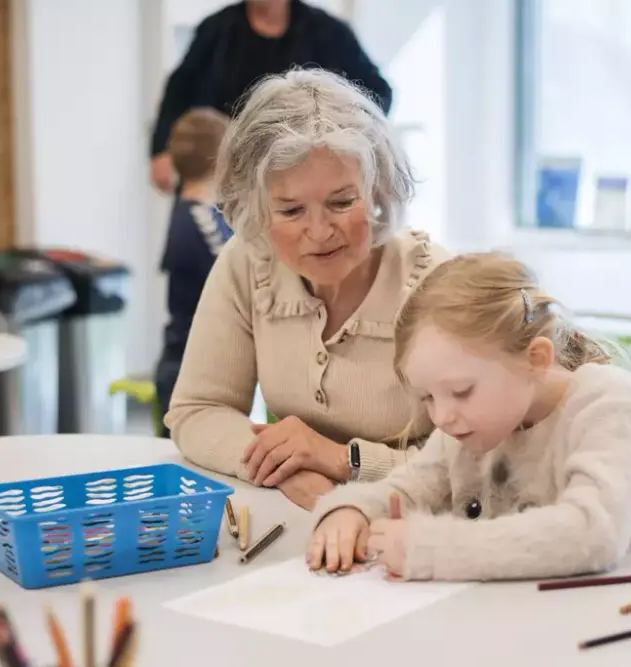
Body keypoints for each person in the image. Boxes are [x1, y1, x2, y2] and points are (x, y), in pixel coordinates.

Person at [165, 68, 446, 511]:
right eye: (291, 210)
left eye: (342, 202)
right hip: (307, 521)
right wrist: (288, 467)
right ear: (257, 208)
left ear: (378, 192)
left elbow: (476, 460)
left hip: (422, 525)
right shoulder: (247, 262)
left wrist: (340, 461)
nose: (319, 231)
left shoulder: (435, 284)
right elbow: (197, 409)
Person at [306, 253, 631, 581]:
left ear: (535, 359)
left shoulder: (613, 405)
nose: (442, 417)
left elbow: (593, 534)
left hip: (616, 624)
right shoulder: (467, 427)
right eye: (428, 398)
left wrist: (432, 550)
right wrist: (351, 511)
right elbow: (407, 489)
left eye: (462, 391)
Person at [150, 0, 392, 193]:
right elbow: (178, 91)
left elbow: (377, 93)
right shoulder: (216, 32)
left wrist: (346, 139)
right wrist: (161, 150)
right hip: (224, 177)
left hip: (306, 174)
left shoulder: (330, 34)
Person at [155, 108, 234, 437]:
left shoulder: (193, 214)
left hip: (191, 362)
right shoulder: (201, 221)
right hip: (192, 367)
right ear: (222, 160)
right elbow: (239, 277)